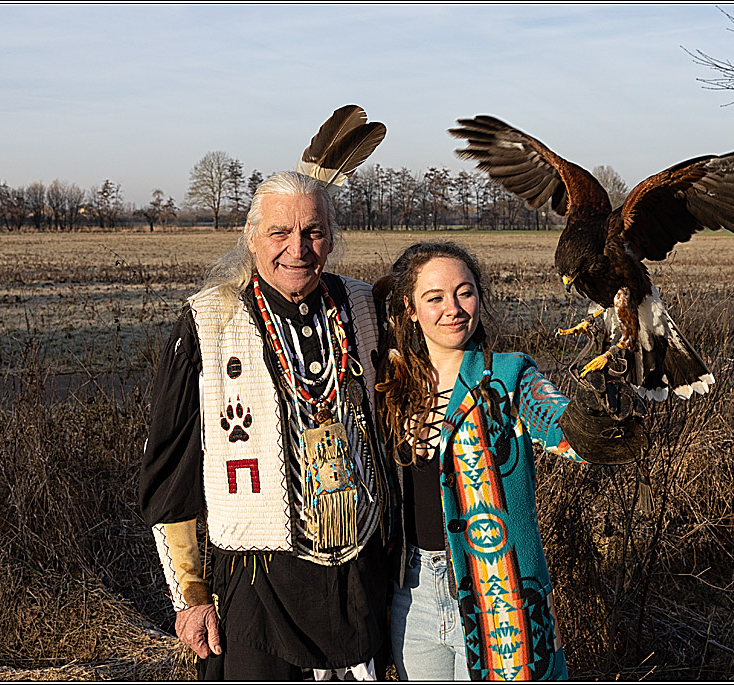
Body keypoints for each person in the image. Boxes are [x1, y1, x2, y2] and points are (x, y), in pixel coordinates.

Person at [140, 170, 392, 680]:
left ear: (331, 237)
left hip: (359, 580)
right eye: (279, 232)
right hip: (258, 584)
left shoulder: (362, 306)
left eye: (313, 232)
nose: (297, 248)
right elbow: (173, 475)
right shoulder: (209, 322)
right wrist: (189, 596)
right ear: (252, 237)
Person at [373, 241, 642, 681]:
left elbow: (564, 428)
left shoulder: (510, 377)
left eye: (465, 292)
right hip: (411, 595)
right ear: (409, 308)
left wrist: (602, 407)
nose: (454, 308)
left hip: (502, 594)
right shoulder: (393, 383)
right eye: (435, 297)